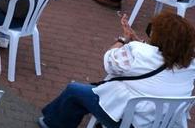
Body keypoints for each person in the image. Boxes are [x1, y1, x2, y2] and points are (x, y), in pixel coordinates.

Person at [39, 12, 195, 128]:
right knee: (95, 91)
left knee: (74, 90)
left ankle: (52, 124)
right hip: (163, 123)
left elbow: (109, 62)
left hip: (129, 122)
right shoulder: (191, 64)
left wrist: (123, 41)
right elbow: (158, 59)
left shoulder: (139, 51)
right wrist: (137, 42)